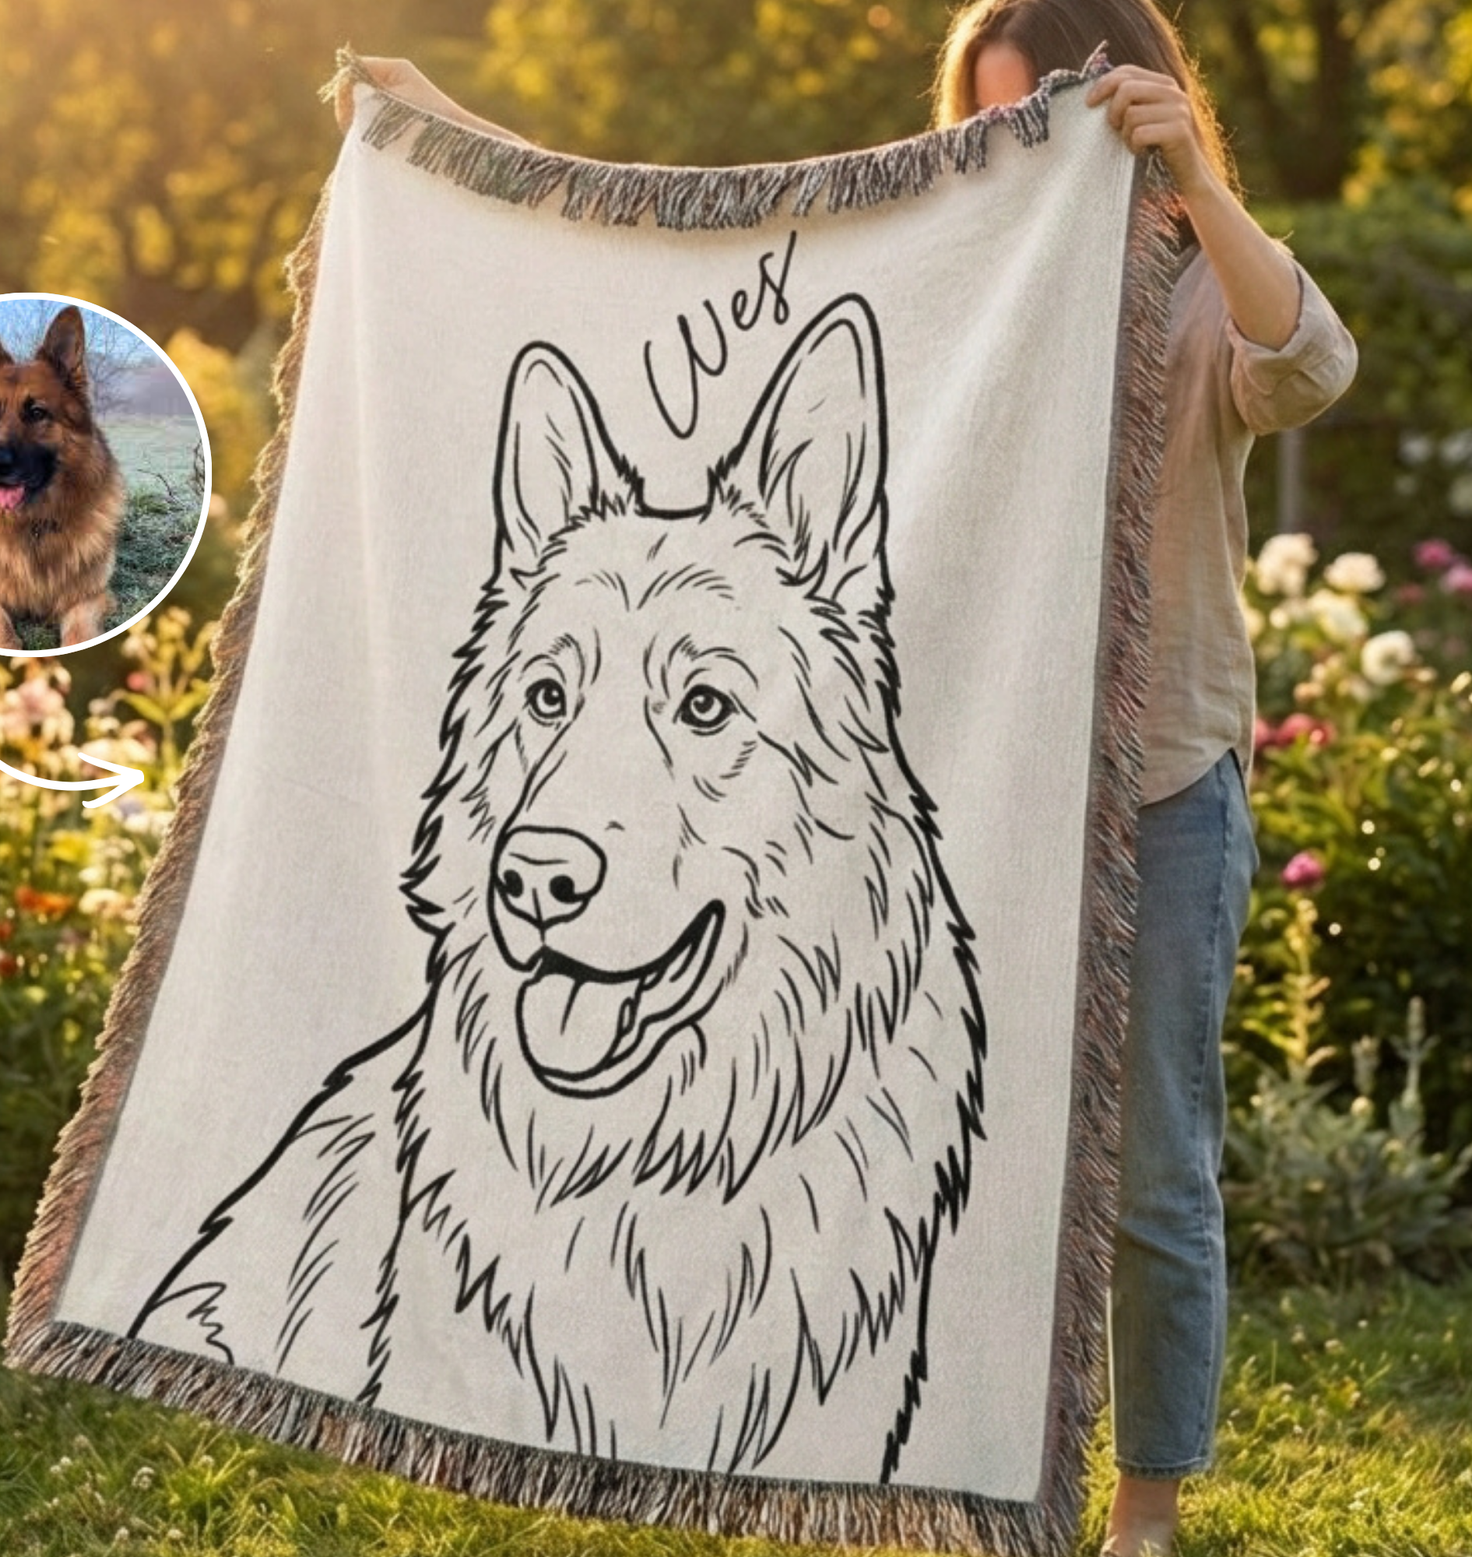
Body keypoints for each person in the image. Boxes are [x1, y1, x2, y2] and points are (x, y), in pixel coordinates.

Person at [338, 5, 1357, 1551]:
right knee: (975, 1166)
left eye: (1052, 122)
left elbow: (1314, 361)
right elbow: (693, 243)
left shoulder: (1187, 302)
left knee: (1154, 1179)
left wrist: (1199, 184)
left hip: (1157, 792)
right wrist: (453, 141)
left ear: (1128, 108)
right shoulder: (938, 302)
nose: (1011, 160)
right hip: (976, 809)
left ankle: (1142, 1509)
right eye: (986, 125)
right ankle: (951, 1482)